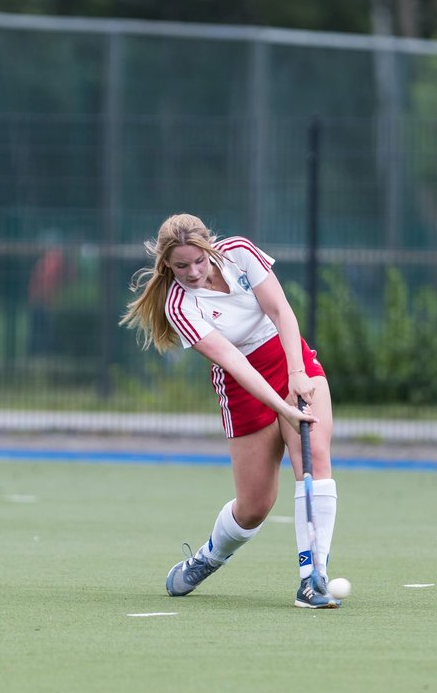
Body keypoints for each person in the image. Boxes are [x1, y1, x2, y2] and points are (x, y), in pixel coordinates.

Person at [120, 213, 343, 609]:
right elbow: (235, 364)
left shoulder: (239, 253)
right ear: (166, 265)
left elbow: (281, 312)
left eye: (198, 261)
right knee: (255, 506)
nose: (193, 272)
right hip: (243, 385)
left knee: (314, 459)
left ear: (209, 249)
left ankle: (313, 579)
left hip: (289, 357)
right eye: (181, 266)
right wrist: (280, 406)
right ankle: (209, 556)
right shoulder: (179, 306)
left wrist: (297, 373)